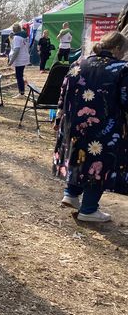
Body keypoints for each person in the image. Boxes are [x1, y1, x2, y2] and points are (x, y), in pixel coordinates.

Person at [53, 31, 128, 223]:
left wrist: (60, 118)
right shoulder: (121, 68)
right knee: (98, 162)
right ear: (118, 49)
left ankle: (71, 194)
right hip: (104, 125)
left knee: (78, 156)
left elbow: (62, 93)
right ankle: (89, 209)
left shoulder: (78, 63)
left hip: (73, 123)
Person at [9, 23, 30, 98]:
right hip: (24, 57)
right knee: (20, 75)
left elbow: (16, 50)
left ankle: (21, 93)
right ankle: (22, 91)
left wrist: (11, 61)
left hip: (19, 59)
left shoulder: (17, 38)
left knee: (19, 76)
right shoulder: (25, 36)